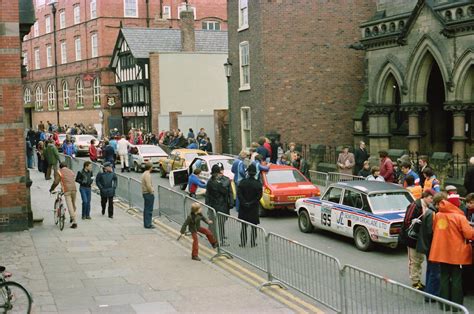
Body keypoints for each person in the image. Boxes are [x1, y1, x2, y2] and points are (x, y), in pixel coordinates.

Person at [429, 196, 474, 306]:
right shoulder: (460, 217)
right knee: (456, 278)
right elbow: (469, 234)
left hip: (441, 251)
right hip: (456, 253)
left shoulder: (438, 215)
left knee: (444, 277)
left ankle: (444, 304)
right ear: (457, 205)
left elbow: (435, 230)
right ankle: (456, 305)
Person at [399, 189, 435, 290]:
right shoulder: (414, 205)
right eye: (431, 198)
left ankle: (417, 280)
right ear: (425, 196)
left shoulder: (428, 206)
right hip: (412, 238)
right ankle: (415, 282)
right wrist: (416, 223)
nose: (432, 200)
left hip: (421, 238)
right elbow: (407, 221)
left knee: (419, 259)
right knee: (414, 260)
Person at [416, 193, 446, 297]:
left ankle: (429, 292)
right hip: (431, 247)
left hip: (427, 246)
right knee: (435, 272)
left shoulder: (429, 211)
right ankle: (431, 294)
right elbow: (431, 232)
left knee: (430, 270)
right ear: (438, 203)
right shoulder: (433, 214)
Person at [206, 163, 233, 245]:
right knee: (219, 224)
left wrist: (231, 203)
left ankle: (215, 239)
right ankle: (219, 241)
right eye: (219, 172)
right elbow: (224, 191)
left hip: (217, 206)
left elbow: (230, 193)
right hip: (220, 206)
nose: (220, 174)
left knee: (217, 223)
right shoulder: (215, 183)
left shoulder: (210, 181)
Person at [238, 164, 263, 248]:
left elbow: (239, 195)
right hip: (253, 208)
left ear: (248, 172)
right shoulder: (258, 184)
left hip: (243, 208)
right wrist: (251, 203)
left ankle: (243, 243)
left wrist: (244, 202)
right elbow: (259, 197)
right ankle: (253, 243)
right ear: (255, 173)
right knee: (253, 227)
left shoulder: (242, 182)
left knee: (243, 227)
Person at [49, 161, 78, 229]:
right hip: (74, 189)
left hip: (67, 190)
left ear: (60, 167)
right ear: (66, 166)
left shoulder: (59, 171)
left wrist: (51, 189)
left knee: (69, 205)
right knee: (73, 204)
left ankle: (74, 222)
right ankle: (72, 216)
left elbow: (56, 182)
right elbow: (71, 179)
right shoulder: (71, 171)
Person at [141, 162, 155, 229]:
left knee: (146, 208)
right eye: (152, 167)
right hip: (148, 193)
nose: (152, 168)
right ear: (150, 167)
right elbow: (148, 185)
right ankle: (148, 224)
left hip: (145, 193)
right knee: (149, 209)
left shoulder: (144, 174)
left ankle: (146, 223)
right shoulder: (147, 175)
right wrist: (151, 192)